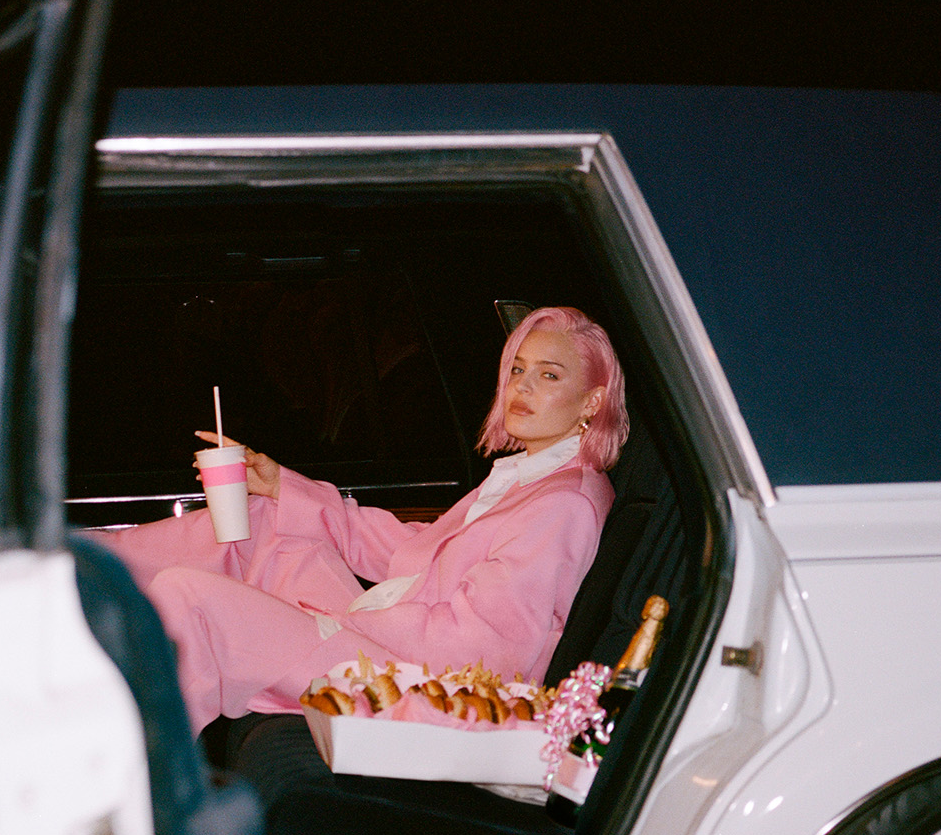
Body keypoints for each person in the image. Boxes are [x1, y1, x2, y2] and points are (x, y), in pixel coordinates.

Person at [96, 306, 628, 735]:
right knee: (265, 518)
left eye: (548, 375)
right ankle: (87, 564)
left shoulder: (563, 505)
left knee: (188, 597)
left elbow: (486, 645)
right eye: (517, 369)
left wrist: (342, 622)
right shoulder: (532, 478)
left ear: (593, 401)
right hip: (394, 638)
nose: (522, 387)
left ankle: (139, 792)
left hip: (424, 683)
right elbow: (418, 549)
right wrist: (282, 485)